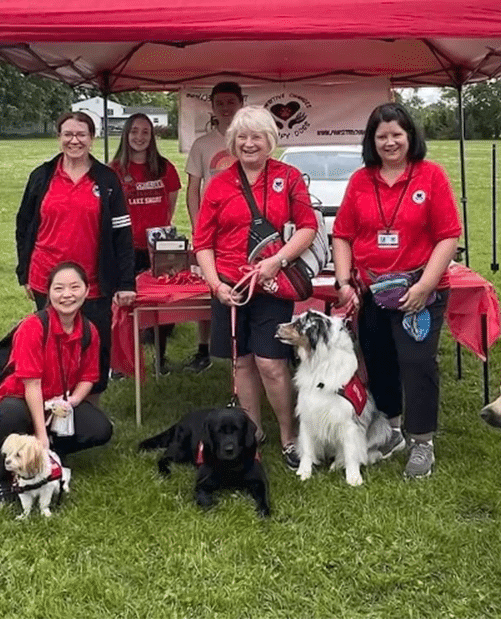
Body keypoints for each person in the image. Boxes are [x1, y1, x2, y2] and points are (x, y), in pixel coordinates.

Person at [332, 102, 461, 479]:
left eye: (396, 135)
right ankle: (391, 430)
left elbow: (448, 236)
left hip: (420, 287)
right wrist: (343, 282)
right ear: (372, 141)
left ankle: (422, 441)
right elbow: (342, 234)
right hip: (373, 288)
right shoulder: (361, 180)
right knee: (379, 359)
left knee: (417, 363)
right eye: (382, 136)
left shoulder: (430, 176)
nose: (390, 142)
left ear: (410, 137)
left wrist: (425, 285)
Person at [193, 106, 318, 470]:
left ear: (270, 141)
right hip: (230, 288)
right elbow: (203, 242)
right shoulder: (218, 184)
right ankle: (252, 432)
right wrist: (216, 285)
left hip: (270, 284)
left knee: (271, 362)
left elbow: (308, 227)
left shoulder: (289, 177)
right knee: (242, 361)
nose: (249, 144)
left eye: (257, 137)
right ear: (233, 142)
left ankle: (288, 434)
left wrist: (277, 260)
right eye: (242, 137)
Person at [16, 111, 136, 402]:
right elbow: (24, 225)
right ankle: (49, 410)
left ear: (91, 139)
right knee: (50, 347)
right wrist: (24, 274)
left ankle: (88, 413)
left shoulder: (106, 180)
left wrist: (125, 282)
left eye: (81, 135)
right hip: (47, 278)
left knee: (93, 348)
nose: (74, 140)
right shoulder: (42, 176)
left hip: (94, 282)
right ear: (59, 137)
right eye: (68, 134)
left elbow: (122, 234)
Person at [0, 262, 113, 478]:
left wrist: (71, 403)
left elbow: (89, 376)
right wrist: (41, 434)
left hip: (56, 402)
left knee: (99, 427)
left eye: (75, 287)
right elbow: (32, 385)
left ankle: (47, 455)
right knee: (12, 416)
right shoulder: (33, 327)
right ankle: (2, 474)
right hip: (21, 398)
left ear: (87, 291)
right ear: (48, 292)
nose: (67, 295)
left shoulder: (89, 331)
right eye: (58, 288)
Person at [111, 113, 182, 372]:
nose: (139, 137)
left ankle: (159, 359)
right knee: (124, 304)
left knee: (162, 303)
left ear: (152, 137)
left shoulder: (165, 167)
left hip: (158, 248)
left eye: (145, 132)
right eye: (134, 132)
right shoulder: (114, 169)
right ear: (126, 135)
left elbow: (170, 203)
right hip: (126, 247)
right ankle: (123, 362)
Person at [185, 81, 244, 373]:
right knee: (212, 287)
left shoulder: (250, 140)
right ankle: (204, 347)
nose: (225, 108)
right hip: (213, 232)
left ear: (241, 103)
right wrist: (198, 229)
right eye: (219, 102)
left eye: (230, 102)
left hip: (244, 232)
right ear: (212, 107)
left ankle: (245, 348)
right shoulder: (203, 144)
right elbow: (192, 189)